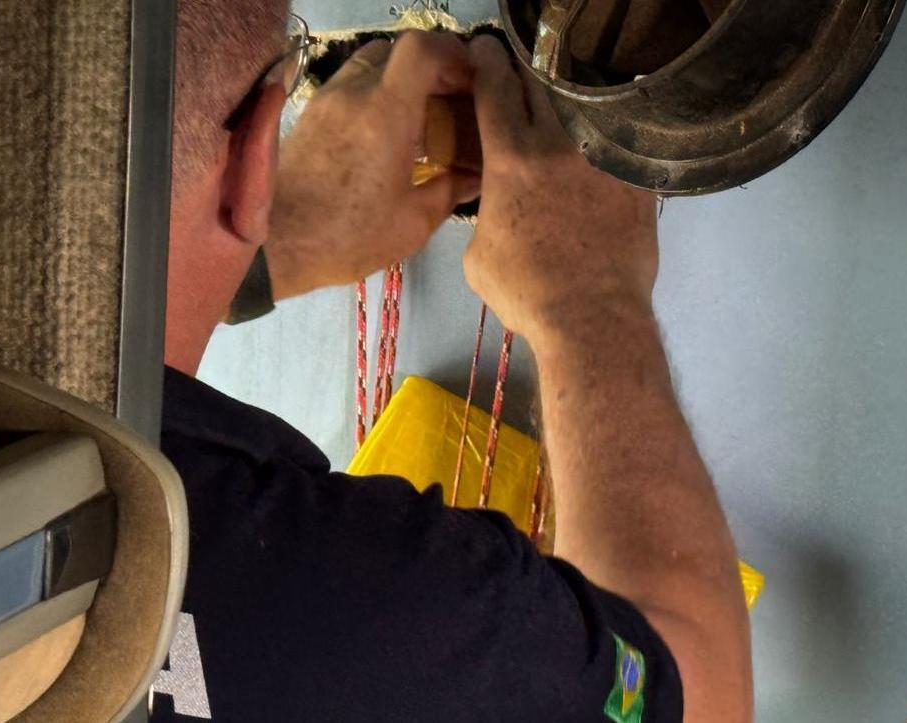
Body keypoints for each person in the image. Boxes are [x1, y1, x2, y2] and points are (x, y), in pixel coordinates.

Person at [158, 1, 752, 720]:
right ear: (261, 147)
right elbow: (691, 691)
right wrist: (589, 301)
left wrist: (267, 240)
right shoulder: (342, 598)